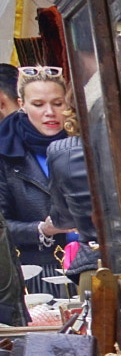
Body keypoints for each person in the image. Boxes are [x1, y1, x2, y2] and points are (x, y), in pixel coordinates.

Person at [0, 66, 74, 277]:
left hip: (93, 261)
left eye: (57, 103)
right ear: (22, 105)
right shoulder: (5, 151)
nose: (50, 112)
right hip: (39, 271)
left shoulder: (85, 143)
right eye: (38, 104)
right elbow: (3, 225)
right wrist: (42, 229)